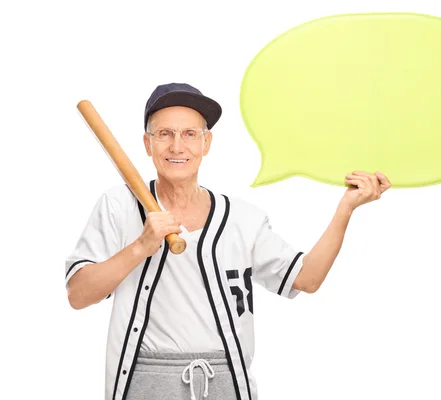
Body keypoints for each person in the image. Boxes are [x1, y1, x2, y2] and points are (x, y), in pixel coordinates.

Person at [65, 82, 391, 400]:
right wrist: (141, 246)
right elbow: (78, 295)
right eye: (164, 134)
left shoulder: (242, 218)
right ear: (147, 144)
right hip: (145, 379)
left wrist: (346, 208)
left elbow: (306, 278)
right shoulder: (118, 206)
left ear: (206, 143)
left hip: (226, 381)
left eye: (190, 134)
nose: (177, 146)